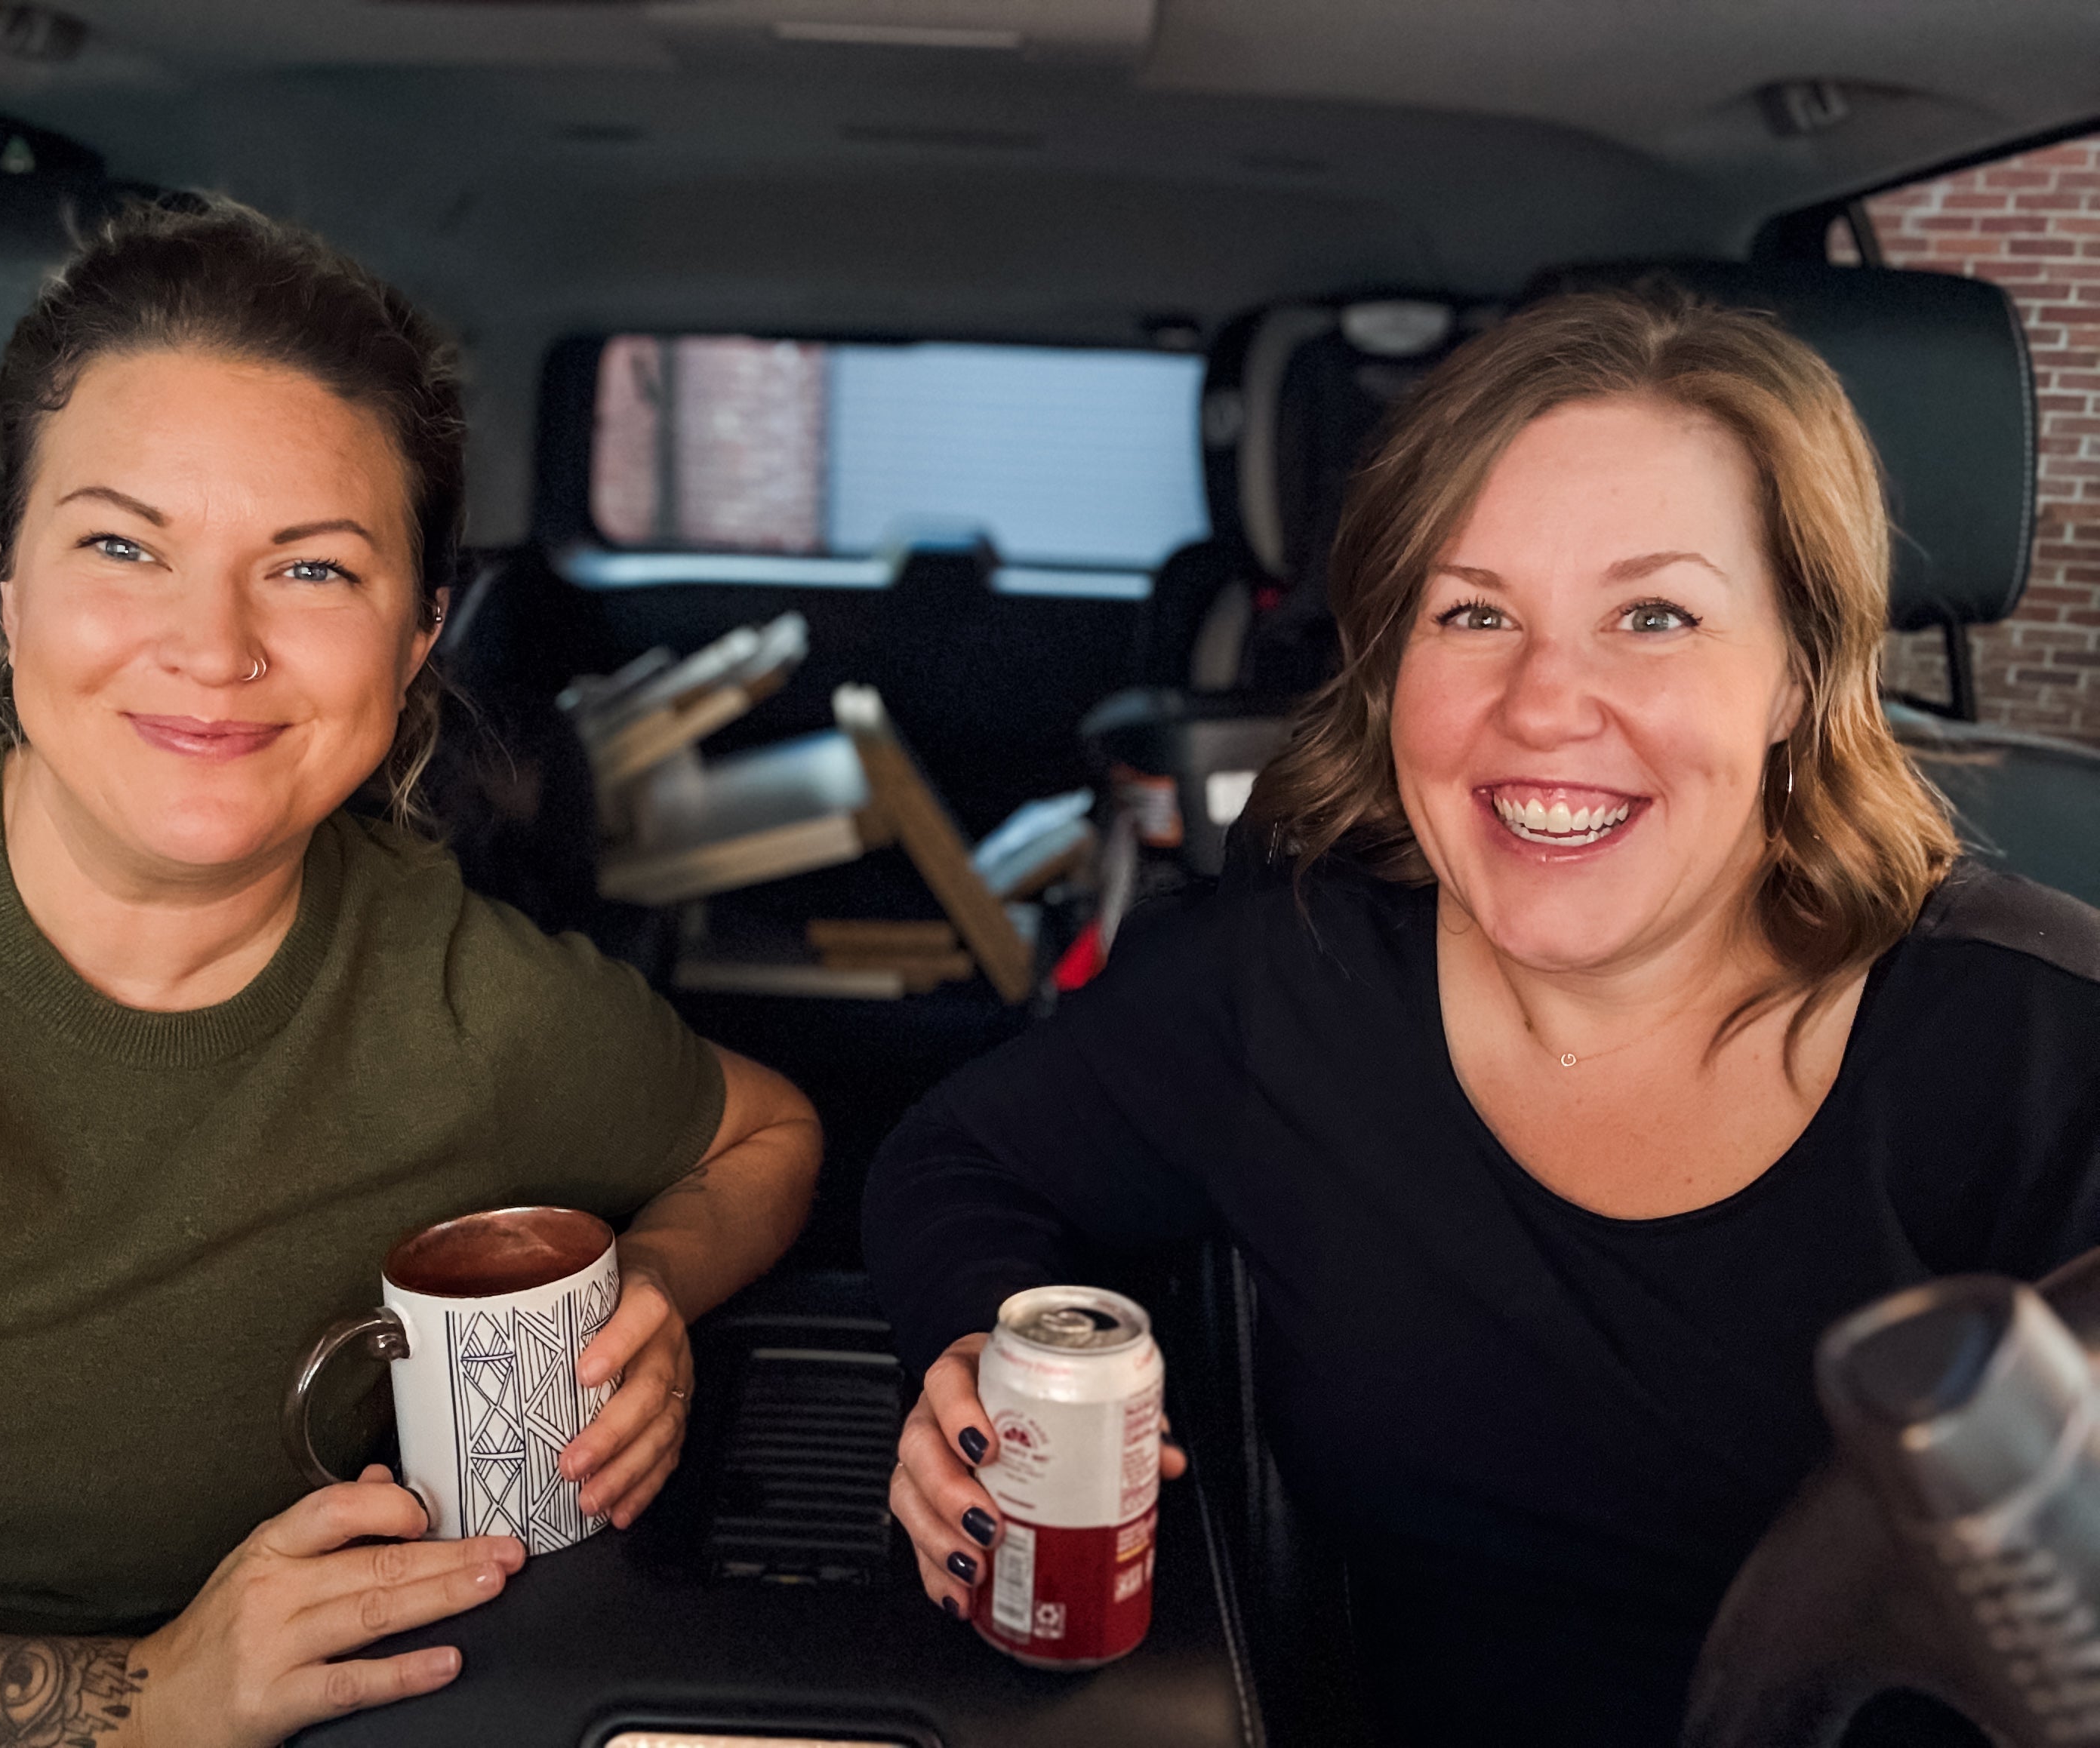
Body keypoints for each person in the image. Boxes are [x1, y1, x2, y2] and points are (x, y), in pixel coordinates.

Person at [865, 289, 2100, 1746]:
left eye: (1655, 615)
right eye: (1474, 613)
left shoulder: (2039, 1056)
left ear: (1799, 673)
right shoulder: (1297, 981)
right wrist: (980, 1366)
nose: (1544, 701)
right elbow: (957, 1163)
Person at [0, 198, 821, 1748]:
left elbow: (765, 1134)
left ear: (415, 640)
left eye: (313, 571)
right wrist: (134, 1701)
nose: (213, 645)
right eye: (123, 546)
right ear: (5, 586)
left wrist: (644, 1295)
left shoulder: (472, 1001)